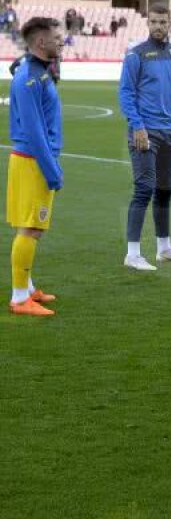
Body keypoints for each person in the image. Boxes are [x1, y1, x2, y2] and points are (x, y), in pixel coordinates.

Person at [118, 4, 171, 271]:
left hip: (168, 132)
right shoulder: (136, 55)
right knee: (144, 189)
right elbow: (126, 94)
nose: (158, 26)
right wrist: (137, 126)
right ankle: (133, 254)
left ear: (170, 22)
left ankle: (164, 248)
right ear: (147, 24)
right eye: (154, 22)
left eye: (163, 22)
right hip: (144, 132)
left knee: (165, 191)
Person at [7, 18, 65, 317]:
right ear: (41, 42)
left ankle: (27, 288)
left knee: (30, 227)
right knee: (30, 228)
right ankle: (19, 298)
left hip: (32, 160)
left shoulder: (37, 71)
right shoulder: (29, 78)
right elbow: (33, 131)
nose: (62, 41)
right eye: (57, 37)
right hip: (33, 161)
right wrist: (52, 170)